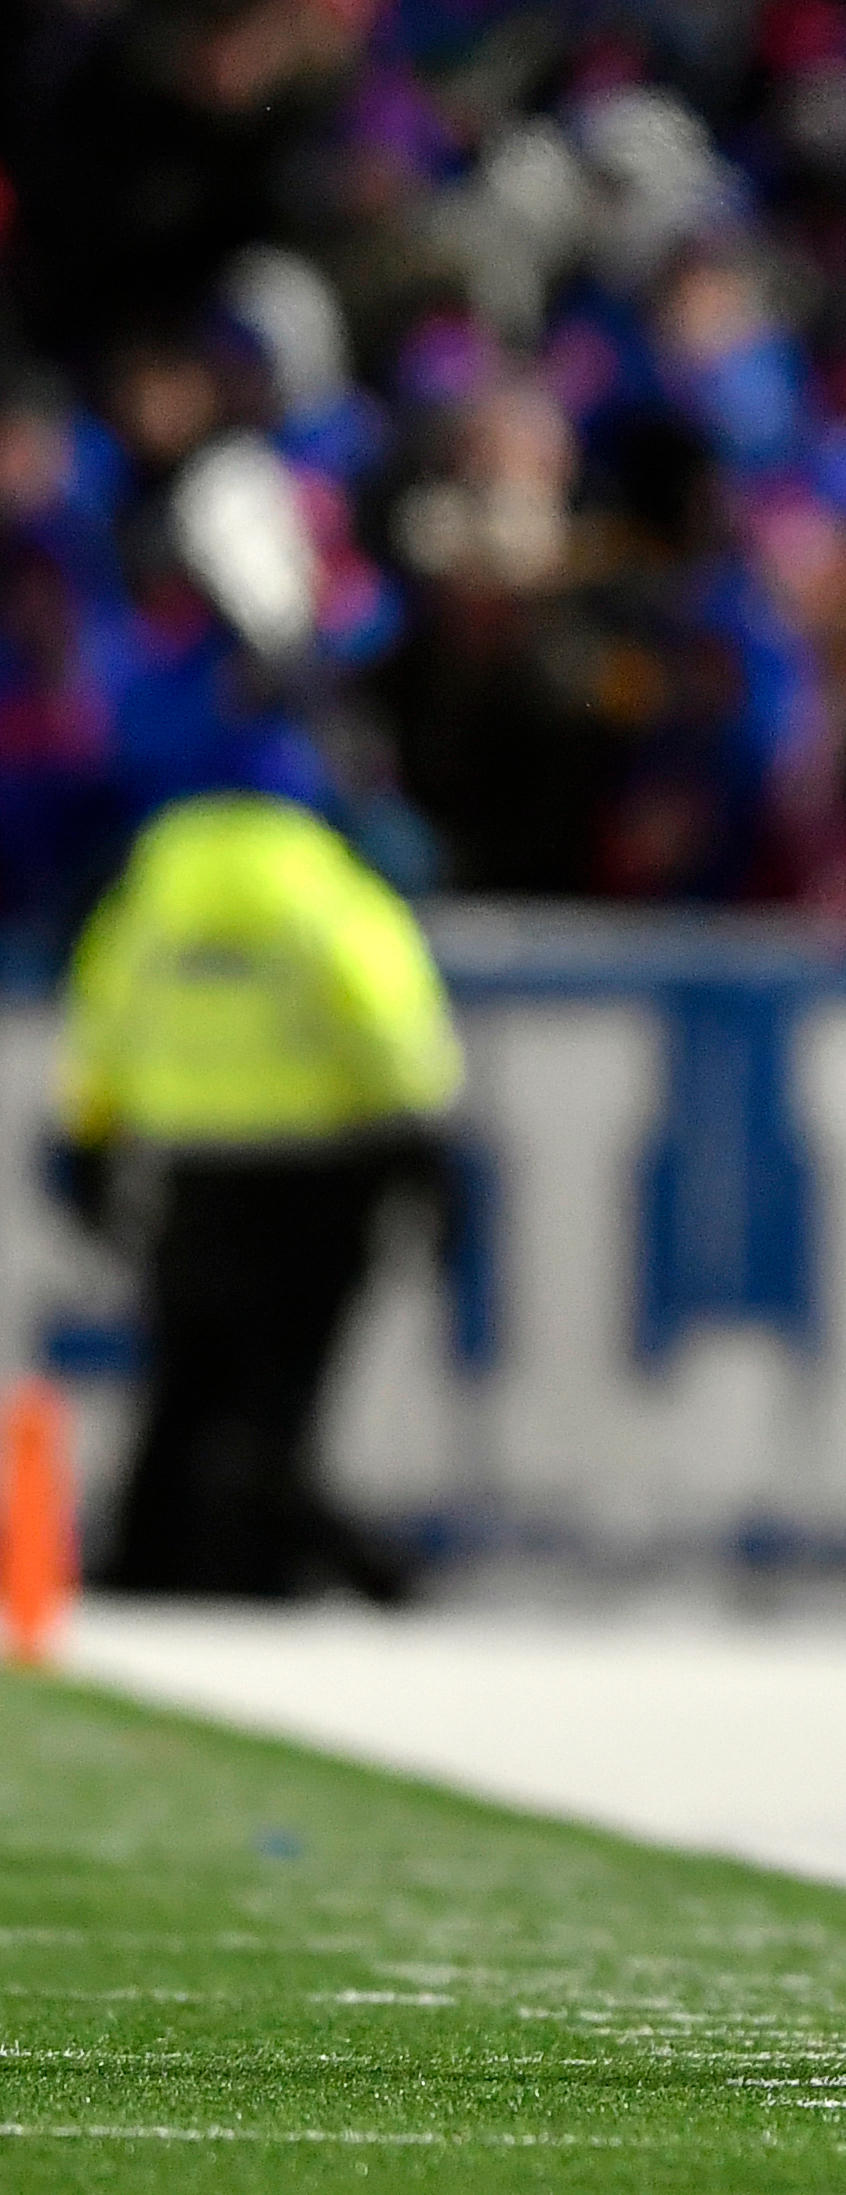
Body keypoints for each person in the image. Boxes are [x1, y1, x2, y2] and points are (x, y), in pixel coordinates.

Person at [57, 444, 462, 1600]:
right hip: (318, 1172)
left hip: (192, 1166)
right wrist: (421, 1145)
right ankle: (294, 1560)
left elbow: (107, 1010)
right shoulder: (314, 879)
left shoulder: (166, 873)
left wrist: (90, 1137)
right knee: (274, 1397)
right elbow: (391, 1015)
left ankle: (159, 1562)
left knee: (188, 1384)